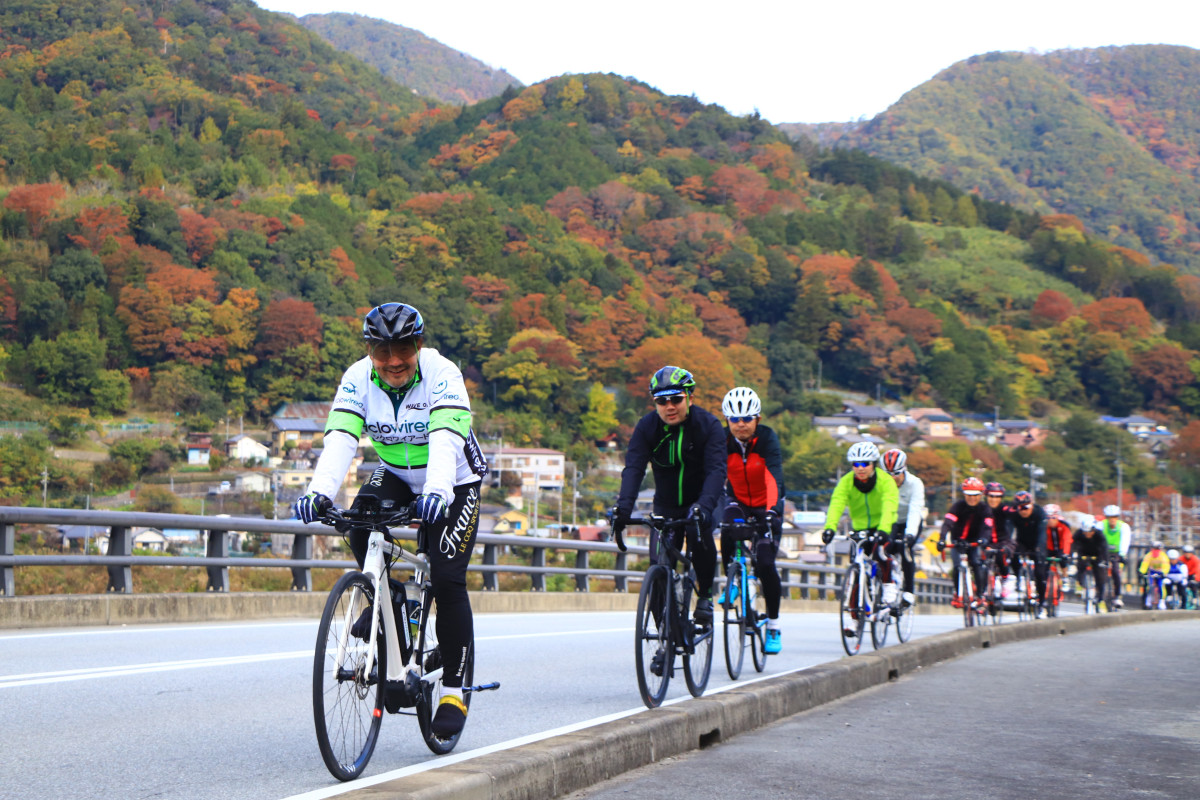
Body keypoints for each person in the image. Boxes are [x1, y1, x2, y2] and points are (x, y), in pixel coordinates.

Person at [294, 302, 489, 739]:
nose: (394, 361)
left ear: (418, 344)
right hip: (398, 471)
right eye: (383, 352)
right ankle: (389, 592)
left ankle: (455, 690)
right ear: (370, 350)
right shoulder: (357, 378)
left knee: (447, 576)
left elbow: (445, 438)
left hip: (454, 477)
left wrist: (437, 491)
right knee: (358, 519)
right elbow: (342, 437)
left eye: (403, 350)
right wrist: (319, 491)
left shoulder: (443, 373)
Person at [612, 366, 726, 630]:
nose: (669, 406)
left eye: (676, 399)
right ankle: (666, 635)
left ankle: (706, 597)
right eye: (661, 401)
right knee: (658, 570)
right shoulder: (647, 428)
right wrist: (623, 508)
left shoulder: (708, 426)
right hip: (666, 504)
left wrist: (704, 506)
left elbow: (716, 471)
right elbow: (634, 469)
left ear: (690, 397)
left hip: (704, 499)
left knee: (700, 534)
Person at [718, 386, 785, 654]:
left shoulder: (767, 439)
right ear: (727, 420)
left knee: (766, 564)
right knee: (726, 525)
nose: (741, 425)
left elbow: (773, 476)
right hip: (738, 501)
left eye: (747, 418)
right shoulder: (722, 440)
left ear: (757, 418)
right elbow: (714, 473)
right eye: (734, 419)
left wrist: (771, 510)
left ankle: (774, 626)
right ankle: (733, 581)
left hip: (766, 503)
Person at [822, 443, 900, 624]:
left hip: (884, 524)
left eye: (865, 463)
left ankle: (888, 584)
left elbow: (890, 505)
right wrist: (830, 528)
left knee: (880, 552)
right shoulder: (847, 481)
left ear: (873, 464)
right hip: (860, 528)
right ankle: (855, 617)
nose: (860, 468)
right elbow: (837, 503)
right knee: (857, 569)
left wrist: (884, 530)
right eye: (855, 464)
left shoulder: (885, 481)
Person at [936, 477, 995, 610]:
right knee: (957, 566)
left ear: (981, 495)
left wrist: (984, 540)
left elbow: (987, 527)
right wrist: (942, 539)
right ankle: (958, 593)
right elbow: (948, 523)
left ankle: (980, 595)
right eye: (968, 495)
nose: (972, 498)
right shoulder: (958, 506)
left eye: (975, 495)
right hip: (958, 541)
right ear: (964, 494)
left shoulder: (985, 509)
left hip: (975, 542)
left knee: (977, 563)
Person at [880, 448, 923, 609]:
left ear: (904, 469)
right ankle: (884, 584)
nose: (892, 478)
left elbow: (915, 510)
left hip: (909, 521)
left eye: (896, 473)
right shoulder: (881, 484)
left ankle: (909, 591)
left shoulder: (915, 484)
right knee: (884, 547)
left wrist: (910, 534)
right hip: (890, 520)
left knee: (905, 548)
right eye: (888, 474)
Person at [1007, 490, 1049, 617]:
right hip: (1022, 541)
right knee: (1011, 551)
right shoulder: (1014, 514)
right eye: (1020, 508)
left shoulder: (1039, 513)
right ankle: (1019, 576)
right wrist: (1008, 544)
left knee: (1040, 574)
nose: (1023, 511)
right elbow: (1009, 530)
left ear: (1031, 505)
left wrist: (1039, 548)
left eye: (1026, 507)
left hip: (1037, 542)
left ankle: (1042, 603)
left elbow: (1042, 533)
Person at [983, 482, 1016, 596]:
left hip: (1003, 542)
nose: (994, 499)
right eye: (991, 496)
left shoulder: (1004, 508)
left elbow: (1011, 511)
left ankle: (1005, 578)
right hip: (986, 542)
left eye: (997, 496)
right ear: (986, 496)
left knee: (1001, 555)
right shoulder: (981, 509)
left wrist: (1015, 509)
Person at [1069, 518, 1110, 607]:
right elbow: (1072, 544)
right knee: (1080, 567)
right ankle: (1079, 585)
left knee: (1100, 575)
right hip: (1083, 553)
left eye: (1089, 532)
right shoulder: (1079, 533)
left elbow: (1104, 548)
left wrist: (1105, 561)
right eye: (1085, 532)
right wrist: (1071, 556)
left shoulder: (1099, 534)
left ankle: (1100, 598)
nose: (1087, 534)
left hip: (1097, 554)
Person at [1099, 505, 1132, 608]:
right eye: (1109, 517)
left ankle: (1117, 596)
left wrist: (1122, 554)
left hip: (1117, 553)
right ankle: (1099, 594)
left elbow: (1125, 541)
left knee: (1116, 572)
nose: (1112, 520)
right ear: (1106, 517)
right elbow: (1097, 539)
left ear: (1117, 517)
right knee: (1100, 572)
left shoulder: (1123, 527)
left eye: (1114, 517)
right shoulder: (1101, 525)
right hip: (1103, 552)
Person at [1043, 504, 1073, 609]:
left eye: (1053, 517)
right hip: (1049, 549)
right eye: (1048, 518)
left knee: (1063, 560)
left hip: (1061, 548)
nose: (1051, 520)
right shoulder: (1043, 526)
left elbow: (1067, 539)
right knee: (1043, 566)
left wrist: (1065, 553)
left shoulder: (1063, 525)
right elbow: (1041, 540)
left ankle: (1065, 577)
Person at [1138, 540, 1170, 610]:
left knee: (1161, 586)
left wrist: (1164, 573)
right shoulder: (1148, 555)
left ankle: (1162, 601)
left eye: (1157, 549)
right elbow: (1144, 564)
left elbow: (1166, 566)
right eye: (1154, 548)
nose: (1155, 550)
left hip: (1160, 572)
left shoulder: (1163, 556)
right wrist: (1141, 572)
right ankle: (1148, 601)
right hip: (1152, 572)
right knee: (1150, 586)